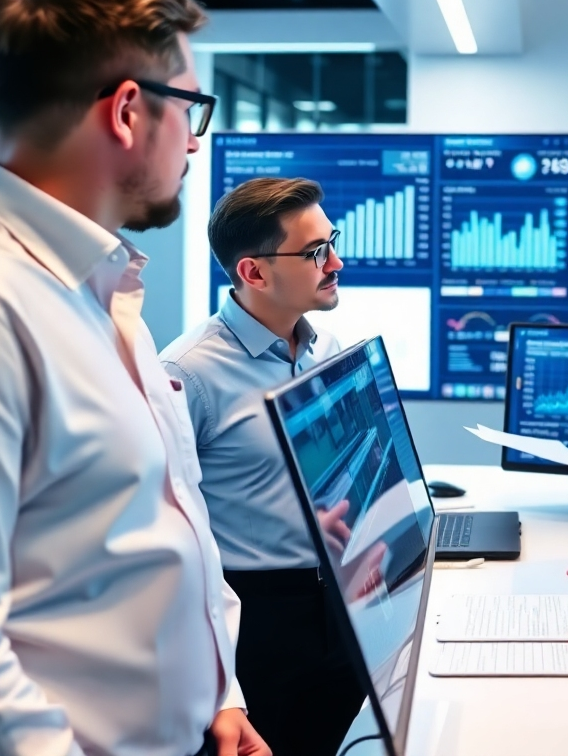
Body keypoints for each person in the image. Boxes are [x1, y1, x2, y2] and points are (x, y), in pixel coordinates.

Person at [0, 0, 268, 756]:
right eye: (192, 110)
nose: (196, 143)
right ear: (130, 111)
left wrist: (218, 693)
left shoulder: (105, 290)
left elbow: (165, 520)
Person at [160, 176, 364, 756]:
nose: (336, 261)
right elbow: (170, 534)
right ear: (253, 272)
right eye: (316, 252)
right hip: (258, 626)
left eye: (332, 242)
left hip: (338, 604)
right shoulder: (186, 375)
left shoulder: (324, 349)